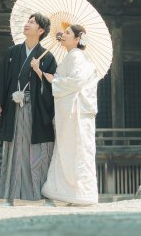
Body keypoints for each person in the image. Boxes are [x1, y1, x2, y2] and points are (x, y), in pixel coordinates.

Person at [0, 13, 58, 206]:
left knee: (40, 152)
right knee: (14, 151)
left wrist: (39, 71)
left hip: (36, 110)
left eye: (32, 22)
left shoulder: (48, 57)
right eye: (28, 21)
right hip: (14, 108)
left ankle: (46, 195)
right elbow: (3, 78)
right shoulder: (12, 52)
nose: (27, 24)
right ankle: (9, 198)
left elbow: (55, 86)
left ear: (41, 30)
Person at [41, 24, 99, 206]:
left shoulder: (77, 56)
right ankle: (68, 193)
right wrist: (42, 72)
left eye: (67, 33)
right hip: (71, 113)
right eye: (63, 32)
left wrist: (54, 80)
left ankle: (81, 194)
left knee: (79, 151)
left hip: (77, 112)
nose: (63, 35)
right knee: (69, 150)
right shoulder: (71, 56)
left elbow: (77, 81)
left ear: (77, 39)